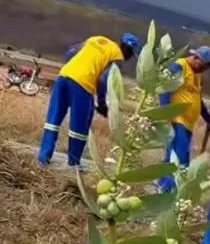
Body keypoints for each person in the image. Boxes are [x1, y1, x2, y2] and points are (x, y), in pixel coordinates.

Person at [38, 33, 140, 168]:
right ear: (127, 50)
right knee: (79, 125)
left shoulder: (97, 40)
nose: (128, 58)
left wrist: (74, 70)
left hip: (64, 76)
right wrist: (102, 103)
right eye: (130, 55)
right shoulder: (117, 56)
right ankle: (74, 163)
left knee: (53, 119)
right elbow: (104, 80)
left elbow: (70, 53)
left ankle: (43, 158)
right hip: (82, 84)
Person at [158, 46, 210, 192]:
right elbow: (165, 88)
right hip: (177, 120)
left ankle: (162, 187)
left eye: (206, 68)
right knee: (179, 159)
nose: (203, 70)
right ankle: (168, 191)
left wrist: (209, 119)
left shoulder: (197, 74)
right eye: (202, 66)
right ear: (196, 58)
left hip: (188, 124)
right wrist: (166, 113)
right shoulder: (179, 67)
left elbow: (197, 99)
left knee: (173, 157)